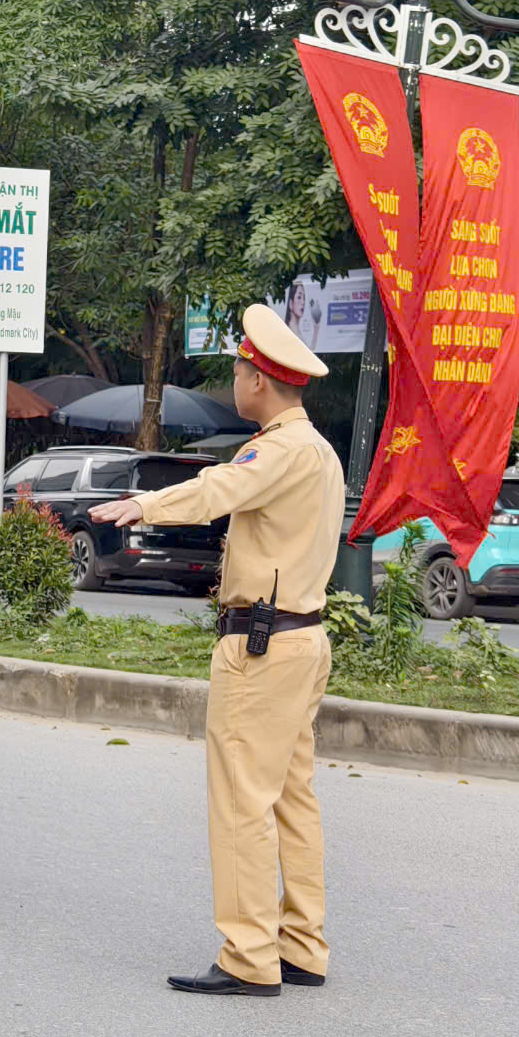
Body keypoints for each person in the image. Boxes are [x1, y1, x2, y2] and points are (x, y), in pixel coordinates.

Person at [88, 303, 345, 997]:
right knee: (293, 800)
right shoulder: (318, 451)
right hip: (304, 639)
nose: (234, 380)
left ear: (258, 380)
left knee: (241, 803)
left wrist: (144, 507)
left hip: (262, 647)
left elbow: (219, 488)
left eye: (237, 370)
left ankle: (249, 956)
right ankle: (302, 945)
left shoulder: (277, 449)